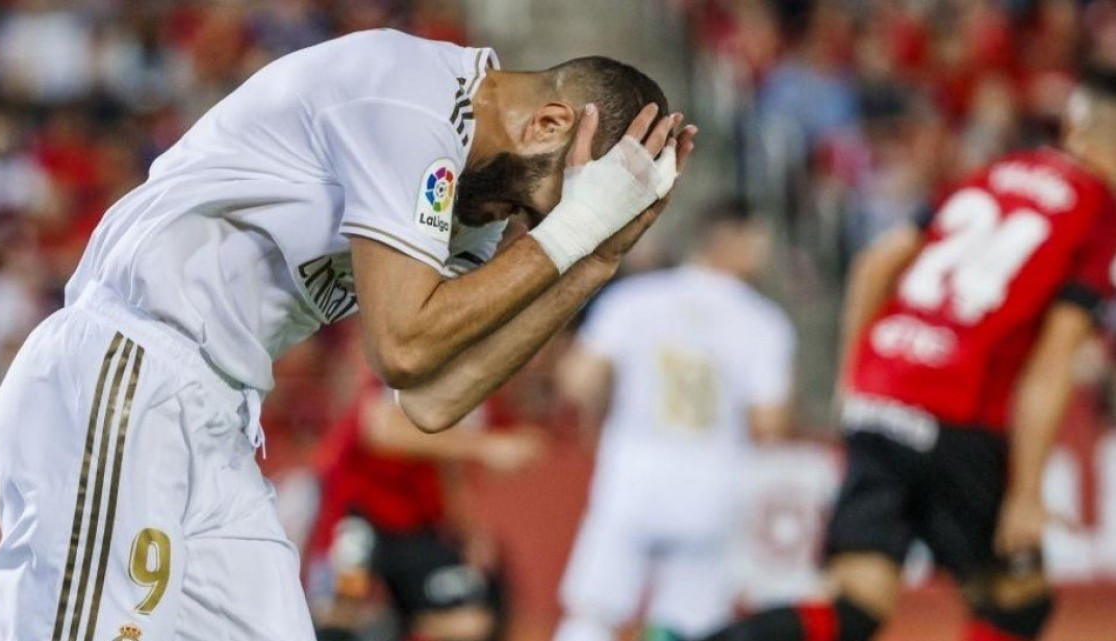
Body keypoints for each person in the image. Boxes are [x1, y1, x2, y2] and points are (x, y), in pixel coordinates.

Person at [0, 29, 697, 641]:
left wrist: (594, 262)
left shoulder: (470, 197)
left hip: (217, 412)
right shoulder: (408, 94)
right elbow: (402, 345)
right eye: (537, 207)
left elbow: (433, 398)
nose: (524, 226)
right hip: (127, 371)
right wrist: (571, 235)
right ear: (545, 124)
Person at [706, 65, 1116, 641]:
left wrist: (856, 376)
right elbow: (1052, 367)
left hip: (882, 392)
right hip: (957, 410)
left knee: (857, 603)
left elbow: (878, 260)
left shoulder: (997, 172)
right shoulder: (1099, 213)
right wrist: (1025, 495)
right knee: (1016, 602)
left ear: (1075, 126)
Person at [553, 199, 796, 641]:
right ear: (733, 241)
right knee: (682, 626)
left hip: (632, 471)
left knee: (593, 613)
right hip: (711, 481)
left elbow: (579, 379)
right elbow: (768, 424)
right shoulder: (763, 323)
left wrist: (607, 410)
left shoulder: (634, 299)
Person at [308, 370, 544, 641]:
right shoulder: (424, 361)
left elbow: (448, 467)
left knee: (472, 619)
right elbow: (380, 427)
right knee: (337, 616)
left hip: (416, 523)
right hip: (357, 510)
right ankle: (384, 623)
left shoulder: (476, 390)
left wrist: (468, 532)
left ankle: (389, 624)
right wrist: (485, 446)